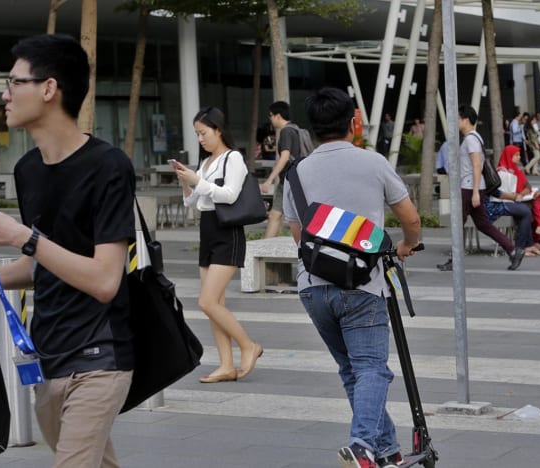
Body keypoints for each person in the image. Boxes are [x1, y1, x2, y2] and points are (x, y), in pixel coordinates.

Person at [0, 34, 136, 467]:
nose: (5, 93)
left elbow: (106, 281)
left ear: (49, 89)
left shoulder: (107, 166)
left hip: (100, 356)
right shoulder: (28, 170)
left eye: (14, 82)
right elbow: (39, 267)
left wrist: (20, 236)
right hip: (48, 357)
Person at [282, 87, 421, 468]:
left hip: (313, 288)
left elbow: (299, 236)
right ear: (352, 123)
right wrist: (409, 245)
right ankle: (362, 445)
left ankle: (388, 450)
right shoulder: (372, 163)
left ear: (311, 130)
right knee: (372, 369)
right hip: (362, 286)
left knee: (352, 372)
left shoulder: (296, 172)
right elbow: (410, 218)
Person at [173, 106, 263, 383]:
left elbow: (229, 194)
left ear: (218, 130)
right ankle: (226, 365)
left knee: (207, 302)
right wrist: (186, 182)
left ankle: (249, 345)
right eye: (197, 134)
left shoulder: (232, 158)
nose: (200, 138)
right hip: (208, 231)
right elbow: (193, 202)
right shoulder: (207, 162)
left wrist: (197, 181)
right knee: (216, 303)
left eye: (203, 132)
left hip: (227, 232)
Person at [438, 105, 525, 271]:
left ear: (465, 119)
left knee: (458, 223)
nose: (456, 122)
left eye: (458, 119)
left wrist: (476, 192)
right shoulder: (475, 137)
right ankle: (513, 250)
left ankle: (455, 260)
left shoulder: (471, 139)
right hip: (472, 187)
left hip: (469, 188)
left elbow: (477, 165)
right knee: (483, 224)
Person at [485, 145, 540, 257]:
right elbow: (501, 194)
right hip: (503, 203)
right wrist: (516, 196)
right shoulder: (501, 172)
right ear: (509, 156)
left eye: (519, 155)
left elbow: (528, 186)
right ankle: (530, 242)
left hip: (516, 200)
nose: (519, 157)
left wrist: (521, 194)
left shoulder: (517, 170)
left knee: (537, 199)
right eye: (516, 155)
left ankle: (533, 241)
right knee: (529, 209)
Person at [262, 101, 310, 238]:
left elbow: (284, 156)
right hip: (297, 179)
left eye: (271, 115)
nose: (270, 119)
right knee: (278, 216)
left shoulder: (286, 132)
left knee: (275, 216)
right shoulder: (295, 129)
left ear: (278, 116)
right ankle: (270, 248)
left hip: (288, 181)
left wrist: (269, 180)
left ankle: (266, 250)